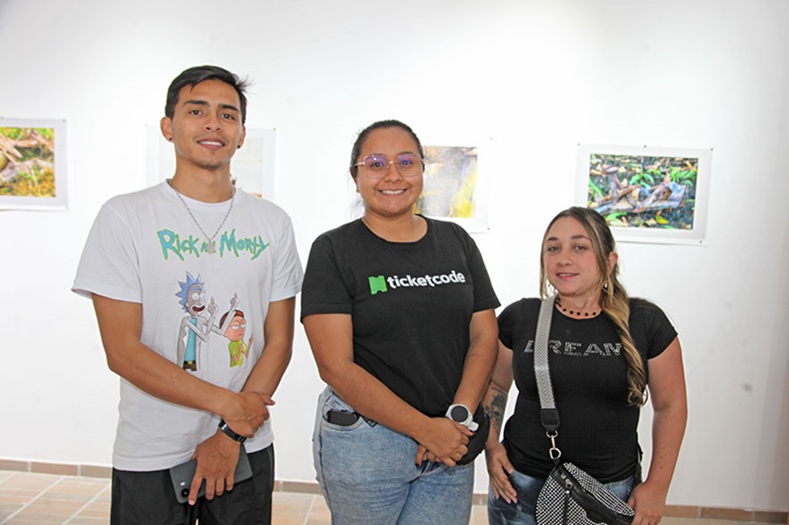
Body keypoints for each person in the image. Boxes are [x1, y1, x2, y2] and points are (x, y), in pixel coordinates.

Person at [72, 65, 303, 525]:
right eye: (197, 111)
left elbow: (278, 341)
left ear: (240, 135)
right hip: (152, 448)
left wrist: (232, 433)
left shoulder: (272, 222)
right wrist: (230, 408)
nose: (213, 124)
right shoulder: (125, 217)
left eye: (228, 115)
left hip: (247, 444)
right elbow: (122, 351)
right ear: (168, 127)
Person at [301, 119, 500, 524]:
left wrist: (457, 417)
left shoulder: (456, 242)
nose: (392, 174)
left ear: (423, 170)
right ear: (355, 175)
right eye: (375, 163)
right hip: (368, 444)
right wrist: (424, 429)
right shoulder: (333, 250)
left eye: (406, 161)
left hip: (451, 440)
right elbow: (335, 365)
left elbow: (483, 335)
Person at [483, 206, 687, 525]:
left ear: (609, 261)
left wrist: (658, 487)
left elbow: (671, 406)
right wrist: (491, 447)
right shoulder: (521, 317)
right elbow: (495, 385)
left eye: (579, 247)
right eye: (553, 248)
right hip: (519, 489)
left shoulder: (646, 322)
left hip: (609, 495)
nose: (563, 258)